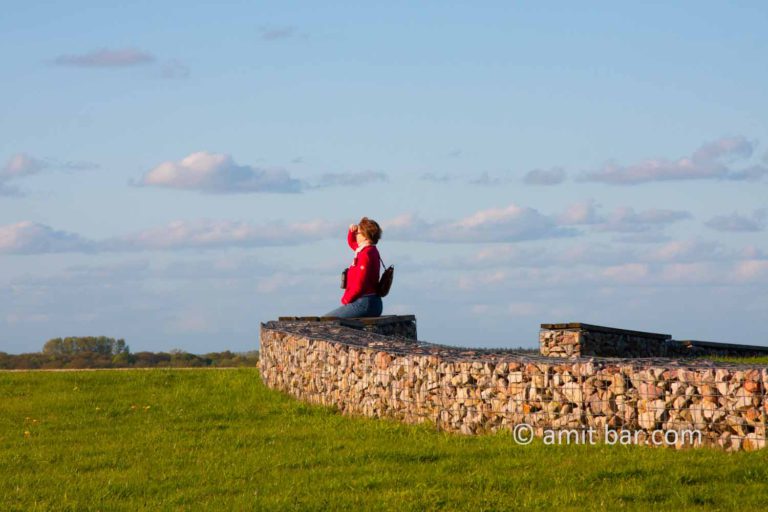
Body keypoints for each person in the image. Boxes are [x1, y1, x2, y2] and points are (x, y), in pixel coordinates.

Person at [324, 217, 383, 318]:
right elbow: (352, 243)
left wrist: (346, 299)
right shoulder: (369, 250)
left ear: (365, 236)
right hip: (372, 301)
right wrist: (351, 232)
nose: (356, 235)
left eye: (358, 233)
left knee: (325, 322)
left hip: (364, 303)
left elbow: (360, 284)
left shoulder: (365, 254)